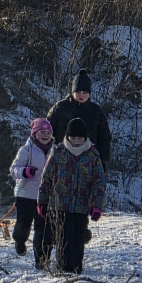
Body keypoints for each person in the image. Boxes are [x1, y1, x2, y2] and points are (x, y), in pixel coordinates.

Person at [37, 117, 105, 274]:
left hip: (81, 206)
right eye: (73, 137)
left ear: (85, 137)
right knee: (63, 239)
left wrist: (97, 205)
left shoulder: (92, 155)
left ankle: (76, 269)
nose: (76, 141)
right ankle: (62, 270)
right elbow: (46, 178)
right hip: (60, 205)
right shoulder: (58, 152)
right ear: (67, 137)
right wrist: (42, 201)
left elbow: (99, 182)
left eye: (79, 137)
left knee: (78, 239)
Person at [9, 117, 55, 269]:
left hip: (46, 196)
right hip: (25, 194)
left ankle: (41, 260)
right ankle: (19, 240)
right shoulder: (26, 150)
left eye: (48, 132)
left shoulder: (56, 151)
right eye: (42, 131)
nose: (46, 135)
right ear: (35, 134)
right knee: (23, 226)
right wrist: (25, 172)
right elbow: (13, 169)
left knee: (42, 229)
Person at [47, 69, 112, 169]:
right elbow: (47, 130)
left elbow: (104, 138)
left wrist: (103, 161)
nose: (81, 95)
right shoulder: (60, 107)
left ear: (89, 93)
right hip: (61, 159)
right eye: (78, 91)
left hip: (88, 161)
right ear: (73, 91)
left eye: (85, 92)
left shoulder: (96, 111)